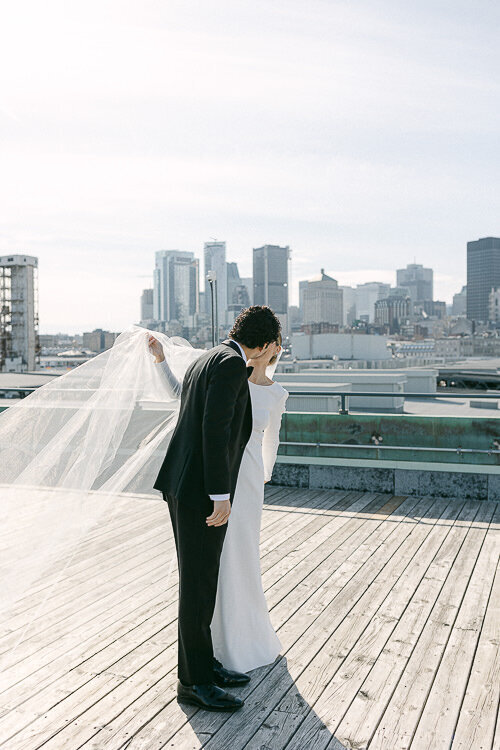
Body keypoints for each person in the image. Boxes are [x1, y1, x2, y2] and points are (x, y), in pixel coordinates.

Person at [150, 305, 282, 713]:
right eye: (271, 348)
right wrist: (220, 497)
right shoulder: (229, 365)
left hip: (184, 485)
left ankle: (205, 663)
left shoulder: (210, 357)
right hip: (199, 493)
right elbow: (214, 430)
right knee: (198, 585)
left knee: (203, 581)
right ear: (261, 346)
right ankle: (194, 683)